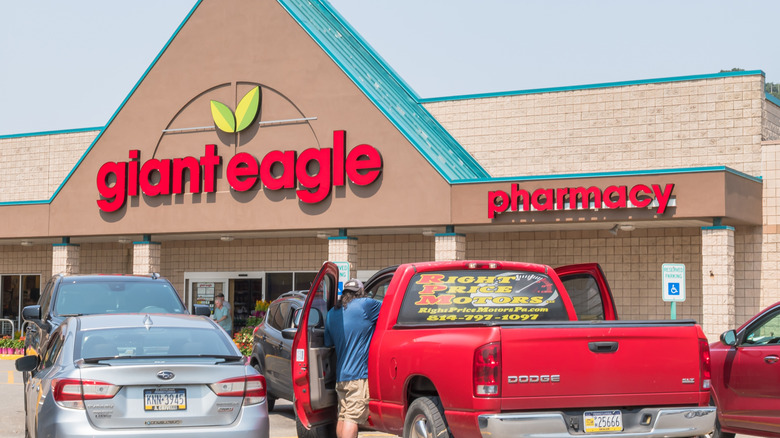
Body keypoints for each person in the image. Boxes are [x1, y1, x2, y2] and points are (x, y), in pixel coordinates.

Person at [324, 279, 381, 438]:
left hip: (341, 377)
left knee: (343, 416)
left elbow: (328, 343)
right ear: (361, 293)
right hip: (358, 376)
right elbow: (393, 309)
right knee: (352, 418)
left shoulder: (331, 314)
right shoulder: (365, 305)